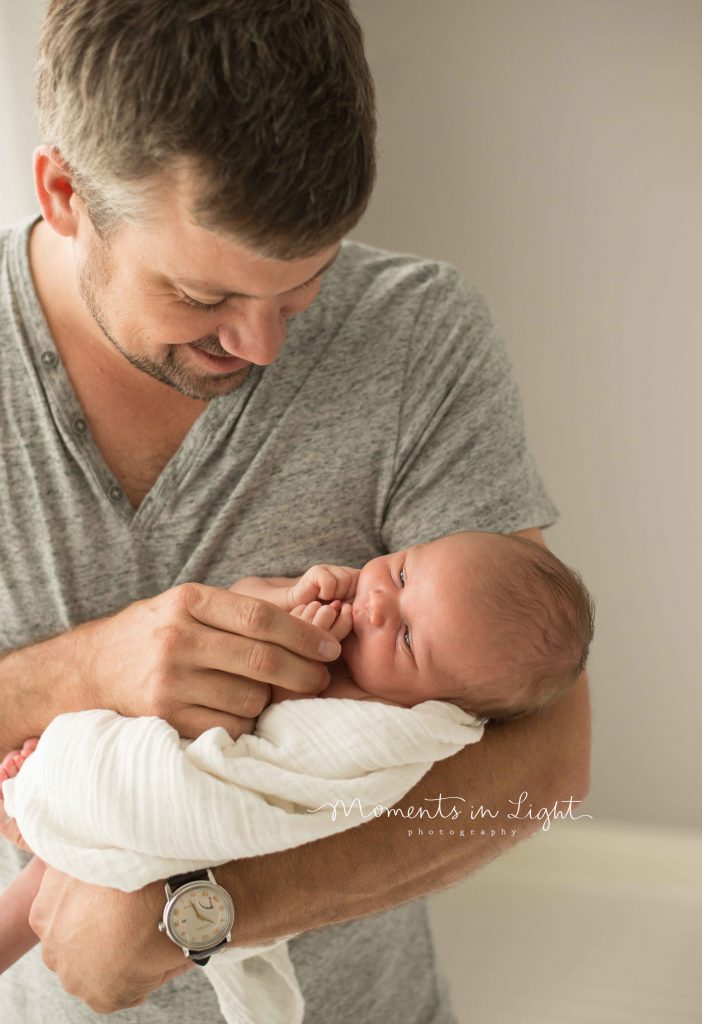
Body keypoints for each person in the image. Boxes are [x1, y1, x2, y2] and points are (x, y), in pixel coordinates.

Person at [0, 0, 591, 1020]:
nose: (265, 348)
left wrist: (203, 910)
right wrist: (88, 669)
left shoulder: (418, 339)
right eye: (201, 297)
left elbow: (543, 767)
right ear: (63, 192)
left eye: (307, 286)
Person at [0, 531, 593, 992]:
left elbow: (278, 739)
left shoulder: (381, 719)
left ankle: (49, 793)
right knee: (51, 877)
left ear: (438, 704)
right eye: (406, 571)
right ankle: (52, 797)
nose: (382, 602)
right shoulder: (363, 628)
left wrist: (304, 673)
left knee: (71, 862)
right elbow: (247, 623)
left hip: (207, 818)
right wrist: (294, 605)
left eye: (409, 638)